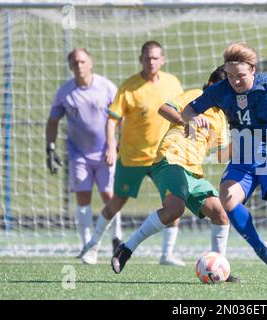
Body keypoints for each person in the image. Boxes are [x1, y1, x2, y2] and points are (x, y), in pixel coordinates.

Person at [182, 42, 267, 285]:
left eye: (240, 75)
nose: (235, 81)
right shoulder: (221, 89)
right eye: (230, 75)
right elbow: (188, 110)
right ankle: (261, 249)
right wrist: (194, 118)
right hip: (242, 155)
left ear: (252, 70)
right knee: (228, 198)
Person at [111, 66, 239, 282]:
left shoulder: (221, 118)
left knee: (220, 213)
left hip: (193, 172)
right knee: (175, 209)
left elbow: (222, 155)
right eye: (222, 89)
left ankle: (220, 268)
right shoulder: (196, 96)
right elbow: (164, 109)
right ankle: (127, 249)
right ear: (210, 85)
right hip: (170, 159)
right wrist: (186, 120)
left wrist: (245, 143)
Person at [79, 41, 185, 265]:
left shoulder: (173, 84)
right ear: (141, 60)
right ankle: (93, 246)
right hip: (133, 157)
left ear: (162, 60)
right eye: (147, 57)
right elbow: (111, 120)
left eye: (156, 57)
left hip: (163, 158)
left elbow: (182, 113)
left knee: (174, 201)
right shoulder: (129, 87)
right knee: (117, 202)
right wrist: (110, 146)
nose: (151, 61)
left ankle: (167, 254)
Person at [45, 48, 123, 256]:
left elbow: (122, 118)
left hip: (106, 152)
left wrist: (117, 146)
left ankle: (117, 238)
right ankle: (88, 245)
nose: (79, 66)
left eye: (82, 62)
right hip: (78, 154)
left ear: (91, 63)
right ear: (70, 66)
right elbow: (52, 121)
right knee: (82, 196)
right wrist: (50, 148)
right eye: (75, 63)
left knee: (110, 195)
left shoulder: (106, 87)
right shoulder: (65, 92)